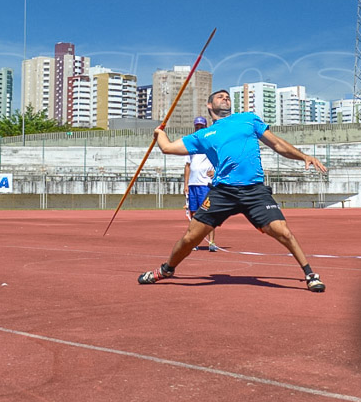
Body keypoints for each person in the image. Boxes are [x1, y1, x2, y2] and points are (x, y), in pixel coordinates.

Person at [138, 89, 327, 292]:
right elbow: (167, 148)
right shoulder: (203, 135)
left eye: (227, 96)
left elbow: (277, 144)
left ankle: (309, 274)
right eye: (220, 96)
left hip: (254, 190)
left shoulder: (248, 119)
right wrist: (160, 134)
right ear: (209, 105)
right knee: (190, 238)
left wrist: (303, 156)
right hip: (223, 192)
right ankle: (166, 270)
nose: (225, 98)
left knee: (284, 232)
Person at [184, 116, 217, 252]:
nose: (199, 128)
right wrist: (185, 184)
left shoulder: (210, 143)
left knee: (208, 212)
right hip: (192, 184)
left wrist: (216, 171)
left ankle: (212, 242)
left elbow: (220, 159)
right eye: (197, 126)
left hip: (205, 184)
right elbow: (187, 165)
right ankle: (194, 240)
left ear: (205, 127)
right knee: (193, 213)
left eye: (201, 126)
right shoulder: (191, 143)